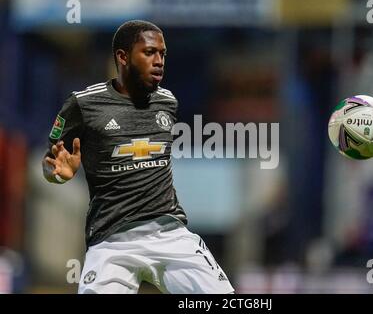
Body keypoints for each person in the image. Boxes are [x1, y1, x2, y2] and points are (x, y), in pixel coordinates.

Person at [42, 20, 234, 294]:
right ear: (122, 57)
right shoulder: (82, 105)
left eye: (162, 54)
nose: (159, 61)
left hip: (170, 233)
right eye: (149, 52)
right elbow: (50, 163)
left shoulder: (168, 102)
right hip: (111, 241)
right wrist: (56, 174)